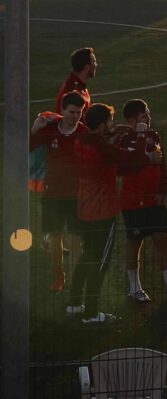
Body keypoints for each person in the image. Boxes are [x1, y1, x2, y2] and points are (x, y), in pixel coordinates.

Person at [67, 103, 161, 324]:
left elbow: (102, 152)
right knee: (101, 261)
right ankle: (91, 312)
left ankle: (73, 303)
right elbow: (134, 159)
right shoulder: (103, 148)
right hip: (103, 211)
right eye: (110, 121)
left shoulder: (81, 140)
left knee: (87, 255)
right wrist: (139, 137)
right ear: (101, 126)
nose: (113, 123)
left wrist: (111, 136)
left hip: (84, 207)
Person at [115, 99, 167, 304]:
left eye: (148, 115)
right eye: (144, 116)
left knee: (163, 241)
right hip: (133, 202)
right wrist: (143, 147)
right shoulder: (123, 139)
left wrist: (164, 188)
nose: (149, 118)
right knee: (135, 243)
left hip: (154, 200)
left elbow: (162, 162)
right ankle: (134, 289)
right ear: (133, 119)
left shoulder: (154, 135)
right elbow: (124, 169)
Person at [29, 92, 88, 291]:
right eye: (71, 112)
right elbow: (28, 147)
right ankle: (60, 276)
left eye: (79, 113)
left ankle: (77, 277)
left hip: (75, 194)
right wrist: (35, 130)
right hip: (52, 192)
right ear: (62, 111)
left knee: (76, 237)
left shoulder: (83, 133)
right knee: (55, 236)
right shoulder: (51, 129)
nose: (75, 116)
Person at [55, 47, 97, 115]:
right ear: (87, 66)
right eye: (94, 62)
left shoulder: (78, 84)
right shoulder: (73, 90)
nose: (96, 65)